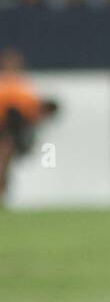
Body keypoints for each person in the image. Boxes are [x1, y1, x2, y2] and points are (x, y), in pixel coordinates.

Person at [0, 48, 58, 199]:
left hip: (17, 134)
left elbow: (37, 112)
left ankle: (3, 187)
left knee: (6, 150)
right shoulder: (4, 85)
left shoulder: (26, 87)